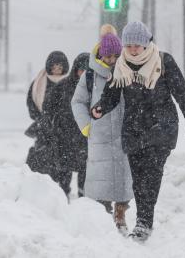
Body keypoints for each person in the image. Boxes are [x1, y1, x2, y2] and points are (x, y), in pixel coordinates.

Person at [91, 21, 185, 241]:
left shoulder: (163, 62)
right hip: (134, 129)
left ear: (146, 43)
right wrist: (100, 108)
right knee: (139, 178)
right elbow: (111, 96)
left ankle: (143, 222)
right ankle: (144, 220)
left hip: (161, 126)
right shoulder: (120, 66)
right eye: (129, 45)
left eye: (137, 45)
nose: (133, 49)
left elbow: (181, 91)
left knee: (151, 175)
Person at [71, 32, 134, 234]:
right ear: (100, 56)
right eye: (108, 57)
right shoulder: (90, 75)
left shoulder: (128, 72)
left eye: (116, 56)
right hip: (100, 135)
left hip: (125, 133)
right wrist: (86, 126)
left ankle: (120, 216)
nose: (112, 60)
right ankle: (102, 219)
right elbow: (78, 101)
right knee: (100, 181)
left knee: (124, 180)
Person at [25, 51, 70, 196]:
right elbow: (31, 102)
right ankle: (43, 191)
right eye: (54, 66)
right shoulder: (39, 82)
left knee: (64, 161)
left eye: (60, 66)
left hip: (64, 130)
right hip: (43, 128)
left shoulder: (70, 82)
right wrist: (42, 119)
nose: (57, 69)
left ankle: (64, 192)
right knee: (43, 159)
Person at [51, 53, 89, 198]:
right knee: (64, 169)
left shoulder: (95, 87)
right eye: (81, 69)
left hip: (85, 135)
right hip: (64, 136)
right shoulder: (62, 86)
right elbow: (49, 108)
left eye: (87, 70)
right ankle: (63, 195)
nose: (83, 73)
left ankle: (83, 196)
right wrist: (54, 127)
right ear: (75, 69)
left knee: (85, 168)